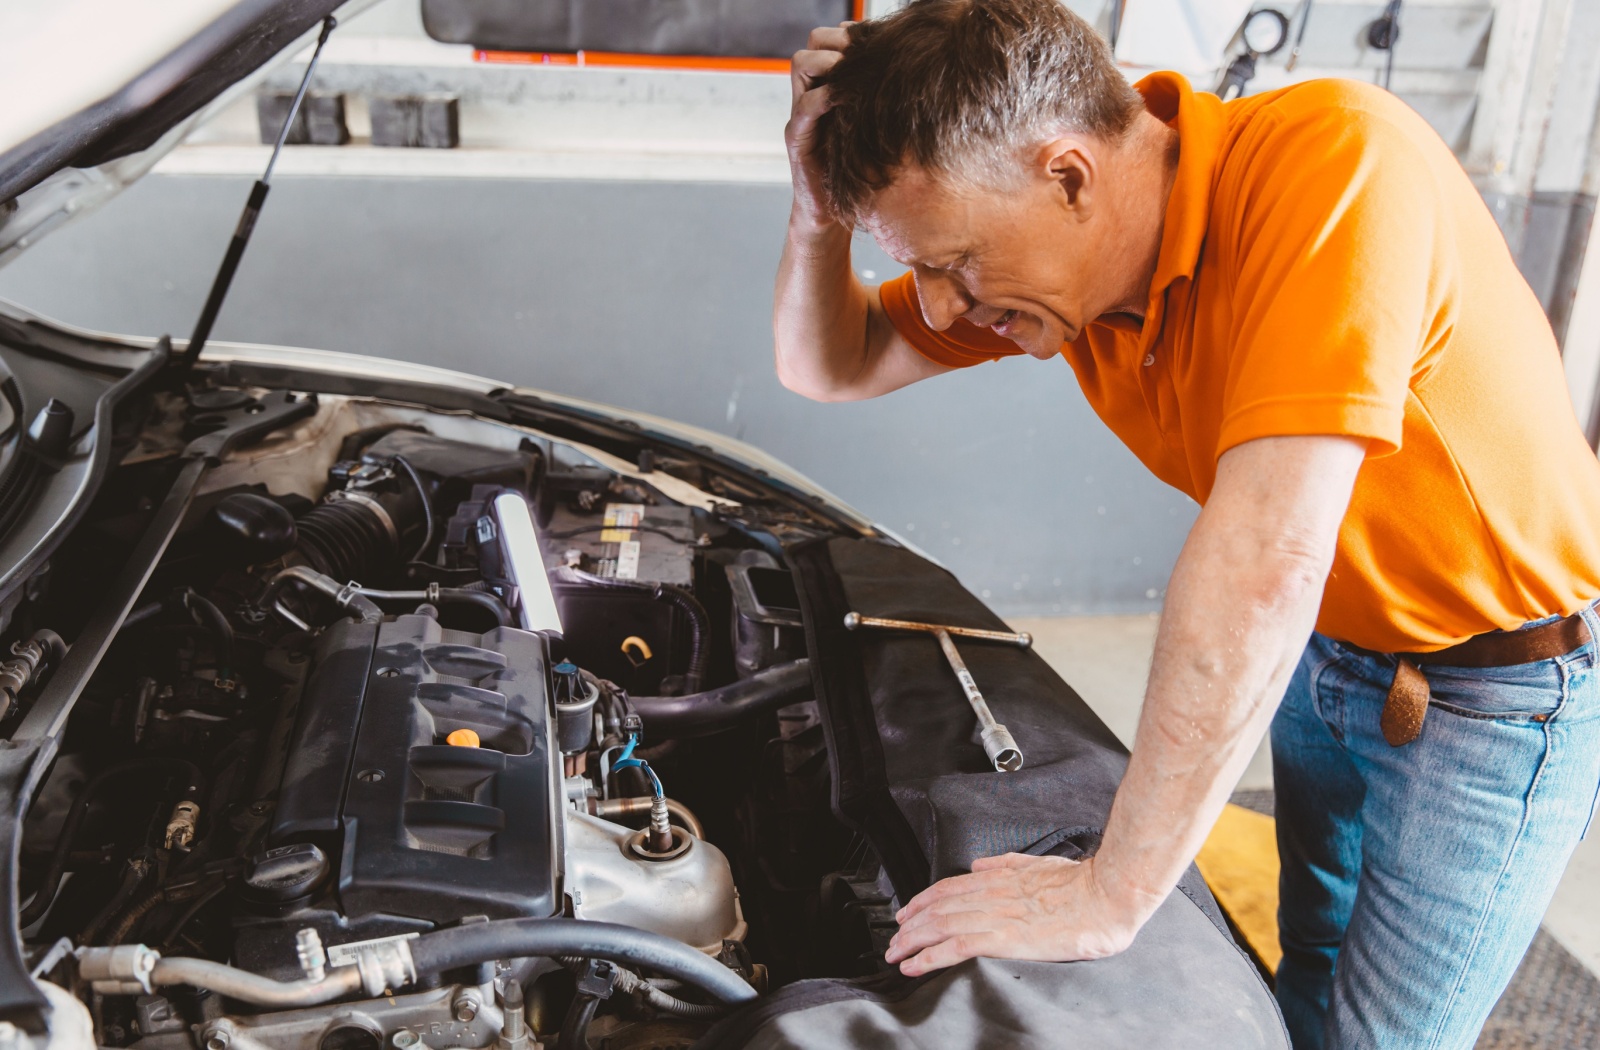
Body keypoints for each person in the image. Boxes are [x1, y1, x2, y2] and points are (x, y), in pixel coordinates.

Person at [771, 1, 1600, 1047]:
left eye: (952, 264)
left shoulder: (1336, 166)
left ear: (1066, 174)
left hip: (1498, 694)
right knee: (1304, 980)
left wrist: (1111, 890)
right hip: (1326, 657)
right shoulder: (1074, 275)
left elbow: (1265, 560)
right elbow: (826, 364)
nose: (936, 308)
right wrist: (815, 214)